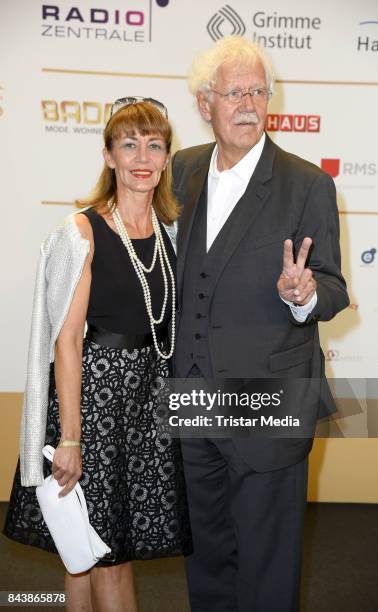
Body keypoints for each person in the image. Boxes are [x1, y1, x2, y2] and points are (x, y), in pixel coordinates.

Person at [172, 37, 349, 612]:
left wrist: (305, 294)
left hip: (269, 401)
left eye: (258, 91)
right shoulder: (181, 171)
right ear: (205, 104)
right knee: (205, 555)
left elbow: (333, 288)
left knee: (269, 563)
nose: (248, 103)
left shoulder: (307, 184)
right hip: (191, 397)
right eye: (234, 92)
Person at [4, 98, 192, 612]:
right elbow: (66, 340)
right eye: (128, 144)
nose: (142, 156)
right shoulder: (82, 232)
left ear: (167, 156)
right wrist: (69, 438)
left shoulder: (172, 232)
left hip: (146, 408)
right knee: (95, 553)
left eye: (154, 145)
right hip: (94, 404)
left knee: (97, 552)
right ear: (108, 155)